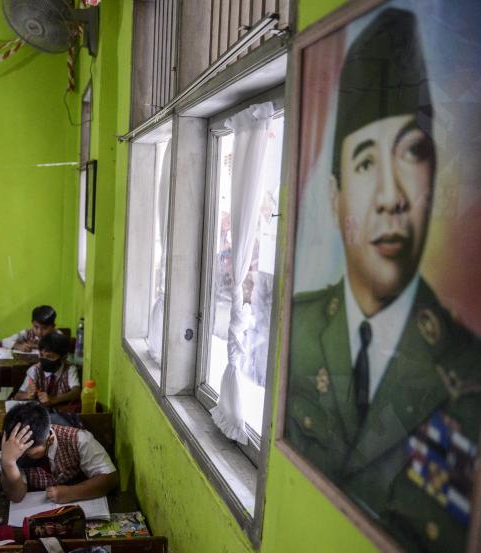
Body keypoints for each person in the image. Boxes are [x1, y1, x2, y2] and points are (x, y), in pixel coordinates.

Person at [285, 9, 481, 553]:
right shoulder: (296, 326)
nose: (392, 195)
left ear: (434, 174)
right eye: (367, 162)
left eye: (412, 153)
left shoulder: (464, 370)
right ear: (335, 194)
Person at [0, 402, 117, 504]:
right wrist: (9, 463)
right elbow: (16, 496)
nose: (21, 456)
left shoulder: (78, 439)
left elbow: (109, 478)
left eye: (30, 454)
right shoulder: (11, 451)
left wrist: (72, 492)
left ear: (49, 440)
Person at [13, 333, 81, 420]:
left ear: (63, 358)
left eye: (50, 357)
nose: (44, 360)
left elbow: (76, 392)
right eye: (41, 355)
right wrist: (28, 395)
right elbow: (17, 396)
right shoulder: (35, 370)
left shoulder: (69, 369)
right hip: (39, 417)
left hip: (62, 414)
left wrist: (54, 399)